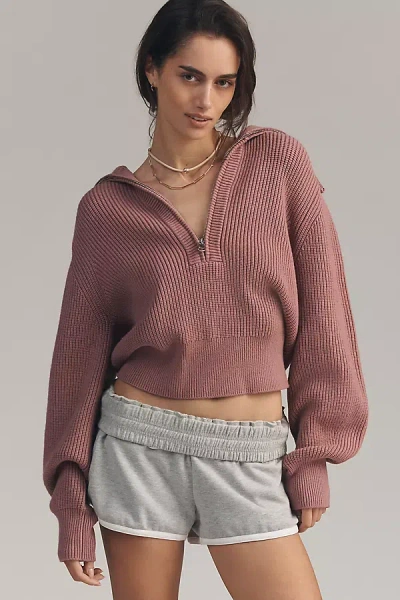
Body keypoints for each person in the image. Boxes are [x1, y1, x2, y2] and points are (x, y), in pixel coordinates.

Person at [42, 0, 369, 598]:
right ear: (152, 70)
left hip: (248, 451)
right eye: (189, 76)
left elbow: (327, 313)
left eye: (224, 83)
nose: (206, 100)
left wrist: (316, 451)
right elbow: (77, 359)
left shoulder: (277, 164)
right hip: (137, 447)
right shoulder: (107, 209)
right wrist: (69, 498)